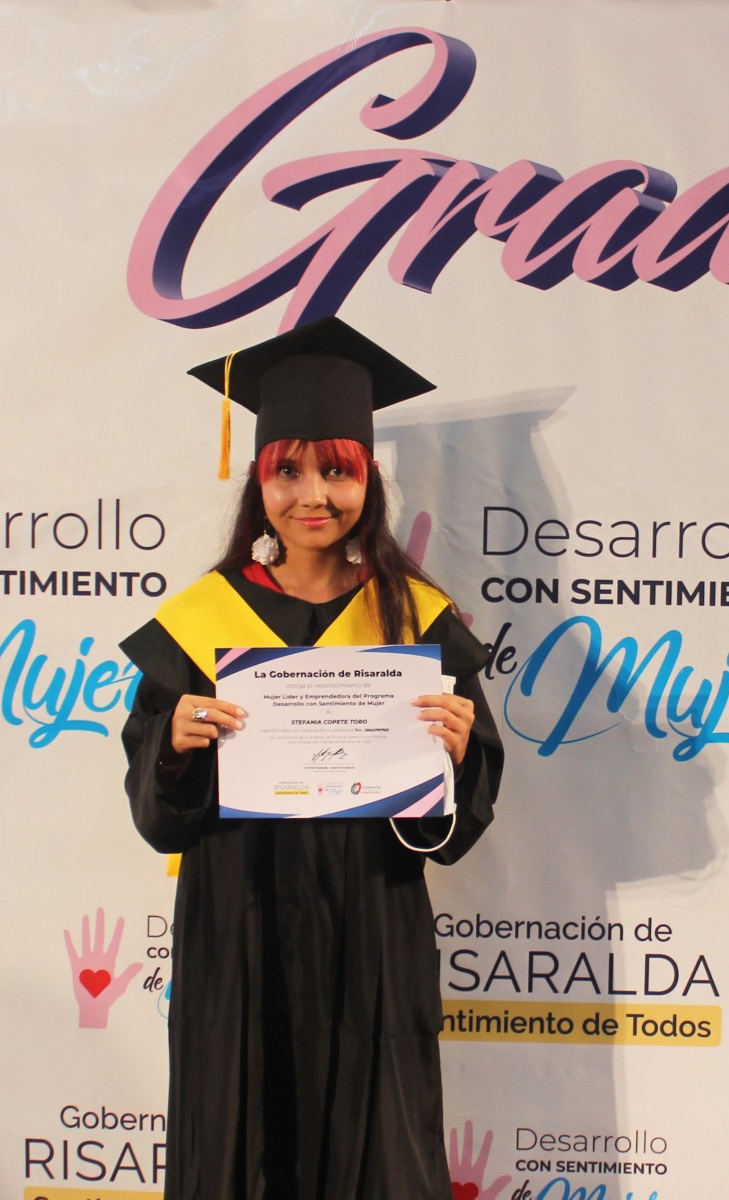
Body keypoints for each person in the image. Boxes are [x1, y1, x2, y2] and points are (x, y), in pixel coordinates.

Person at [120, 317, 504, 1200]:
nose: (313, 495)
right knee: (239, 1131)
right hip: (238, 922)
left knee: (380, 1148)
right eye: (288, 471)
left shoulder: (414, 619)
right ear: (259, 482)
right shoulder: (204, 621)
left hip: (372, 923)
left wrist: (454, 757)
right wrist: (172, 748)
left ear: (369, 480)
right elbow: (158, 814)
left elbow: (457, 823)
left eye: (338, 471)